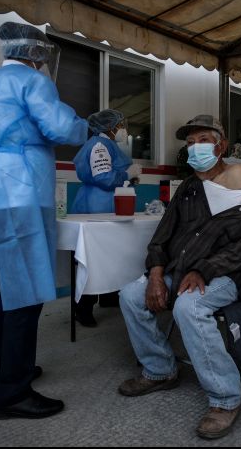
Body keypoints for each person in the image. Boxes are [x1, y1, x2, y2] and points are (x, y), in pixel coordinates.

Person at [0, 22, 88, 419]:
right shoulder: (31, 80)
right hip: (17, 191)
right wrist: (85, 126)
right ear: (37, 53)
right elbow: (60, 126)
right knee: (24, 293)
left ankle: (16, 367)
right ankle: (12, 393)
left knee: (6, 289)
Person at [117, 114, 241, 440]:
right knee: (129, 295)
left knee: (189, 307)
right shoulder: (189, 188)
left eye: (203, 141)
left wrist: (203, 270)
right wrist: (155, 273)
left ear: (221, 146)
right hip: (179, 271)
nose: (195, 148)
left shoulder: (238, 180)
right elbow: (161, 236)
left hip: (226, 275)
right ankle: (160, 370)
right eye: (191, 142)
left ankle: (225, 399)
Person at [71, 109, 142, 327]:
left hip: (107, 204)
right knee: (93, 259)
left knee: (110, 254)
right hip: (97, 206)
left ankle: (108, 295)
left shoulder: (107, 145)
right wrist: (127, 175)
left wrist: (129, 178)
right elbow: (103, 177)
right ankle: (83, 308)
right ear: (109, 127)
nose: (123, 129)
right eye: (120, 125)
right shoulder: (99, 146)